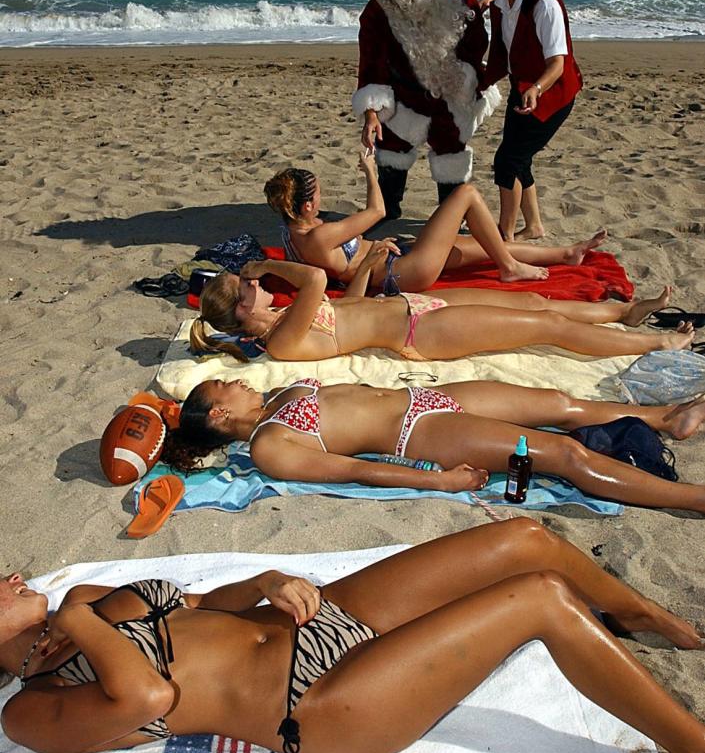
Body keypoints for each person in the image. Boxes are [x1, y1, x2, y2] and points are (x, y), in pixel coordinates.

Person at [3, 521, 705, 753]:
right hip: (317, 704)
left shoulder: (88, 597)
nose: (10, 576)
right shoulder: (31, 710)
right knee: (539, 596)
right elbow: (148, 696)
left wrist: (265, 579)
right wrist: (81, 619)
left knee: (523, 539)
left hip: (323, 621)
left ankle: (634, 610)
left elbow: (199, 607)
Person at [163, 374, 705, 517]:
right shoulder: (269, 446)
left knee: (559, 402)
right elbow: (355, 471)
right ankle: (695, 498)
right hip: (419, 433)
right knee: (564, 455)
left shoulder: (279, 396)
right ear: (220, 413)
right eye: (224, 386)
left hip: (428, 397)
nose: (235, 382)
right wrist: (438, 480)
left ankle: (666, 418)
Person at [188, 255, 693, 364]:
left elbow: (351, 309)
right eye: (247, 284)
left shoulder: (285, 319)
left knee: (537, 303)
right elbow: (317, 279)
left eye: (248, 277)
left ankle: (620, 315)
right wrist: (256, 262)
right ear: (243, 306)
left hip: (410, 307)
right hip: (420, 333)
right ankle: (657, 341)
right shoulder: (279, 340)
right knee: (549, 327)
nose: (255, 281)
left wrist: (367, 264)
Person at [264, 151, 610, 287]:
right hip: (402, 273)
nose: (322, 199)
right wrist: (371, 172)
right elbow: (378, 212)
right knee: (466, 194)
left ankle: (566, 254)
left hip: (399, 259)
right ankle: (509, 267)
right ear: (307, 207)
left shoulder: (292, 228)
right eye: (319, 195)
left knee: (479, 245)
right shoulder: (317, 238)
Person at [352, 0, 501, 217]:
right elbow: (371, 64)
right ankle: (388, 208)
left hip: (452, 90)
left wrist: (465, 75)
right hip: (404, 92)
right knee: (392, 144)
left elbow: (478, 37)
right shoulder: (376, 12)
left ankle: (452, 213)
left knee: (451, 147)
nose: (399, 5)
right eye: (391, 0)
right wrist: (371, 112)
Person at [466, 0, 582, 241]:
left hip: (552, 93)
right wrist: (489, 1)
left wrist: (536, 89)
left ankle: (504, 233)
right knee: (520, 159)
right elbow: (502, 16)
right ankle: (533, 226)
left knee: (507, 161)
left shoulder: (545, 4)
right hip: (524, 88)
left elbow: (558, 64)